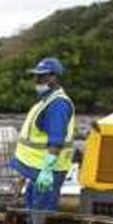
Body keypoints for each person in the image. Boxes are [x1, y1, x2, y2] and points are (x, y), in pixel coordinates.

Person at [9, 57, 75, 211]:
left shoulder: (58, 104)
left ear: (54, 77)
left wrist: (47, 170)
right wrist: (23, 176)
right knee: (32, 213)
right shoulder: (45, 101)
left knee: (42, 216)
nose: (37, 80)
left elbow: (56, 140)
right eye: (36, 76)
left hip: (47, 173)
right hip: (35, 171)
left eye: (42, 76)